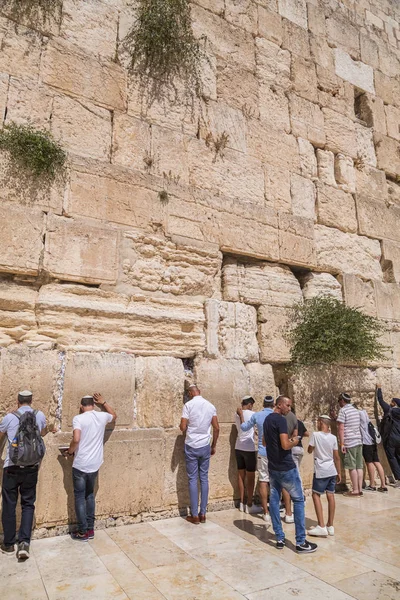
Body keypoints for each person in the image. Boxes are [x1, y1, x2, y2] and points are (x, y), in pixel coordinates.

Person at [263, 396, 317, 553]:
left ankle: (279, 538)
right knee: (299, 500)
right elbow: (286, 445)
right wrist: (295, 439)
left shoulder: (267, 420)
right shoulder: (280, 420)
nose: (289, 408)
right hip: (286, 467)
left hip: (273, 467)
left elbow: (265, 442)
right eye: (287, 405)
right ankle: (300, 542)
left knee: (274, 500)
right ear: (279, 405)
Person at [0, 390, 46, 559]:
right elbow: (42, 432)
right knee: (28, 504)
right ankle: (24, 543)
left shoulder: (9, 417)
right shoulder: (39, 415)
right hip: (31, 468)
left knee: (9, 504)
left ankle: (9, 543)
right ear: (31, 401)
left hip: (11, 467)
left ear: (18, 401)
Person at [64, 393, 116, 541]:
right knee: (90, 495)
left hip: (81, 464)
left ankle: (82, 531)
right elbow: (114, 415)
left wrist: (70, 451)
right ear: (93, 405)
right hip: (95, 463)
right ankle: (90, 529)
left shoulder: (78, 418)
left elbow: (76, 439)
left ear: (81, 407)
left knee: (80, 497)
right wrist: (104, 402)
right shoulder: (102, 416)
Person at [180, 384, 219, 524]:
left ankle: (194, 515)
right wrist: (213, 445)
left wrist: (186, 424)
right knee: (204, 478)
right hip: (205, 445)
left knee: (192, 479)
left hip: (191, 445)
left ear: (190, 393)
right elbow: (216, 428)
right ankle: (203, 513)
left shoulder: (188, 405)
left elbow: (183, 427)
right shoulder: (210, 406)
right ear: (199, 392)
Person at [238, 395, 274, 525]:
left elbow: (243, 427)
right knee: (277, 481)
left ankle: (265, 513)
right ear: (274, 405)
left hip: (262, 451)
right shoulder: (276, 415)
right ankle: (280, 509)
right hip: (275, 453)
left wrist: (241, 416)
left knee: (263, 480)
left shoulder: (257, 415)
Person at [307, 415, 341, 537]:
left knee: (316, 495)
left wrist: (313, 447)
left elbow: (309, 450)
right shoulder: (333, 438)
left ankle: (321, 525)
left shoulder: (315, 435)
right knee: (330, 494)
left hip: (321, 470)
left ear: (321, 422)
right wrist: (339, 472)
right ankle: (330, 525)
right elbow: (336, 456)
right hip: (332, 470)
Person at [234, 396, 258, 513]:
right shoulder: (253, 414)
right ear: (249, 405)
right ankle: (249, 503)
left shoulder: (236, 414)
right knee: (251, 476)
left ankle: (241, 503)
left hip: (238, 446)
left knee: (240, 474)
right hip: (249, 447)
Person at [337, 392, 363, 497]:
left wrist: (342, 443)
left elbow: (341, 427)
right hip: (358, 440)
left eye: (339, 401)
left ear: (342, 400)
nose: (339, 403)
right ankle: (360, 489)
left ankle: (355, 490)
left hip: (350, 441)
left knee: (352, 467)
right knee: (359, 466)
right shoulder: (356, 410)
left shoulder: (343, 411)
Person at [359, 406, 387, 492]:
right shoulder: (368, 420)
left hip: (367, 444)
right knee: (377, 462)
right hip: (373, 442)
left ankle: (372, 485)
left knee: (369, 463)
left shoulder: (361, 420)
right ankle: (383, 485)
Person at [376, 385, 400, 486]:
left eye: (391, 401)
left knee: (392, 457)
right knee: (398, 456)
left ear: (394, 403)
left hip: (391, 438)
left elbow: (380, 400)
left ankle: (398, 478)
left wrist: (379, 388)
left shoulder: (389, 410)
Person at [282, 397, 298, 524]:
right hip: (287, 452)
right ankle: (288, 512)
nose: (289, 408)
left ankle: (286, 511)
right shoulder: (293, 417)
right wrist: (291, 442)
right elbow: (295, 435)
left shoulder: (274, 418)